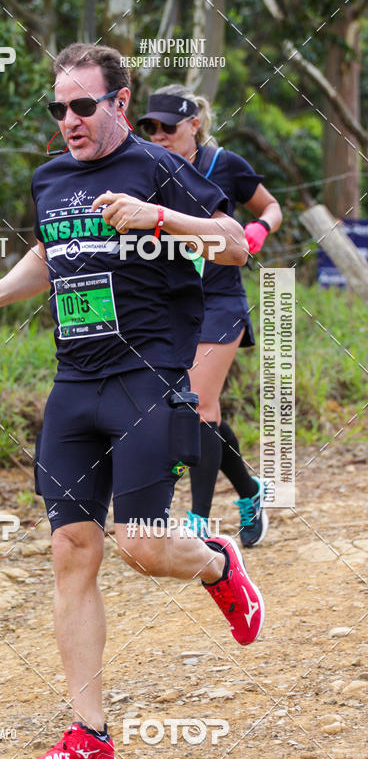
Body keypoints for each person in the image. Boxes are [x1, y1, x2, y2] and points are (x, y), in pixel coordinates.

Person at [0, 44, 264, 759]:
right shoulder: (51, 178)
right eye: (58, 107)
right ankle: (89, 734)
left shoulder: (156, 166)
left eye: (82, 105)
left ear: (119, 103)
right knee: (71, 550)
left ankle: (218, 562)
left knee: (142, 546)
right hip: (74, 383)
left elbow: (232, 245)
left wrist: (156, 216)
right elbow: (51, 253)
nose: (68, 119)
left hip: (146, 377)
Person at [137, 87, 283, 548]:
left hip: (220, 300)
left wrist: (259, 228)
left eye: (168, 127)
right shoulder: (148, 168)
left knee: (199, 406)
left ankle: (198, 522)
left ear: (194, 124)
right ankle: (251, 489)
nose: (159, 135)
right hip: (172, 304)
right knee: (197, 410)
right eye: (150, 127)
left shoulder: (225, 165)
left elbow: (271, 206)